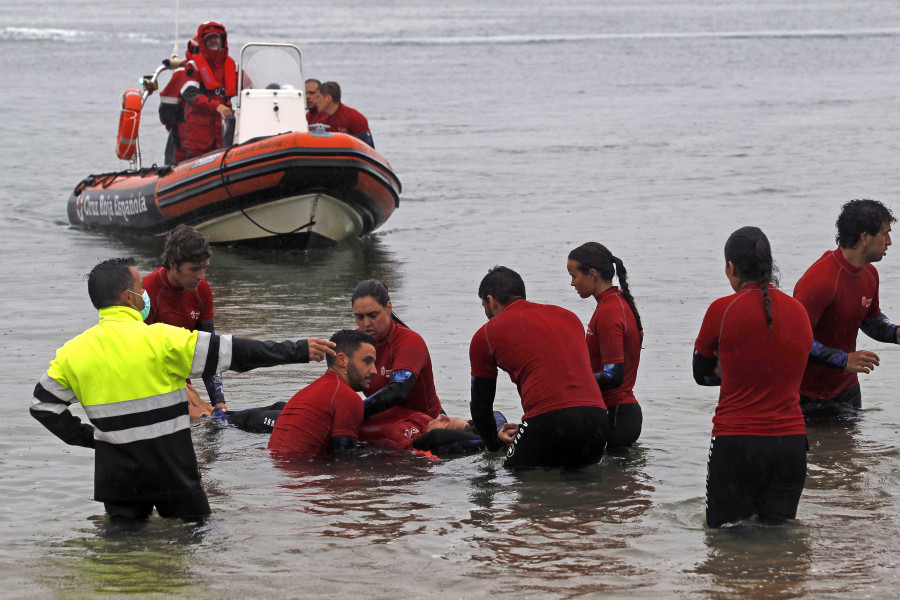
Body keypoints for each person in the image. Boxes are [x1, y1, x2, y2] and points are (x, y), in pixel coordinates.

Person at [29, 257, 336, 522]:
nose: (145, 292)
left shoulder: (72, 352)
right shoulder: (161, 339)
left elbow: (43, 407)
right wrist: (296, 350)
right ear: (128, 297)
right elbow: (233, 353)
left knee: (120, 556)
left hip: (117, 479)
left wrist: (94, 439)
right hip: (171, 471)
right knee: (199, 541)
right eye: (140, 287)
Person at [694, 227, 812, 528]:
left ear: (731, 267)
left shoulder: (721, 310)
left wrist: (731, 372)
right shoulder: (799, 311)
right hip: (791, 446)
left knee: (725, 539)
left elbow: (701, 375)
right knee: (779, 538)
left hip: (738, 444)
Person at [469, 266, 608, 469]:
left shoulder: (485, 335)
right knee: (583, 487)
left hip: (547, 420)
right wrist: (527, 430)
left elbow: (481, 408)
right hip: (597, 419)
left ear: (490, 300)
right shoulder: (569, 317)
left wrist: (493, 445)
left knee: (512, 479)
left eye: (484, 306)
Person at [793, 199, 899, 414]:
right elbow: (794, 339)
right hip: (807, 394)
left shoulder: (870, 274)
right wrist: (843, 359)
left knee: (849, 448)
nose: (889, 241)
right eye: (885, 233)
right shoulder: (820, 281)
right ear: (865, 237)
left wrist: (895, 333)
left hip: (848, 390)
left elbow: (870, 318)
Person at [567, 242, 644, 448]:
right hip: (618, 413)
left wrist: (571, 382)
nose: (572, 283)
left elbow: (613, 375)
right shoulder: (615, 303)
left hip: (616, 414)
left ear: (592, 274)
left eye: (574, 276)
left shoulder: (610, 311)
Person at [143, 224, 224, 417]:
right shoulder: (146, 291)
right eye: (195, 269)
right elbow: (140, 358)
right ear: (173, 264)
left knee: (219, 418)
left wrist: (219, 400)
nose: (201, 277)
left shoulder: (202, 290)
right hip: (150, 384)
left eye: (204, 268)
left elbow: (208, 350)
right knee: (205, 419)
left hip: (181, 383)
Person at [267, 330, 375, 457]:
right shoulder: (348, 398)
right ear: (342, 360)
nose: (374, 370)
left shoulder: (309, 391)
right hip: (299, 471)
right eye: (367, 362)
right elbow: (346, 465)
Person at [351, 280, 443, 419]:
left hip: (426, 423)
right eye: (359, 317)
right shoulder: (353, 342)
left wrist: (354, 411)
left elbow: (398, 390)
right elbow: (336, 384)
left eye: (373, 315)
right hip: (384, 422)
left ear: (388, 308)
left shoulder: (409, 342)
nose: (366, 323)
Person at [182, 22, 237, 159]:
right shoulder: (193, 66)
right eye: (209, 38)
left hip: (223, 133)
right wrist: (216, 106)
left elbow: (248, 87)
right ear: (203, 41)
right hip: (200, 138)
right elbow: (190, 94)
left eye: (216, 37)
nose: (213, 40)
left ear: (222, 40)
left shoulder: (230, 65)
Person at [158, 36, 199, 164]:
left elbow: (166, 111)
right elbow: (166, 109)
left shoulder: (182, 72)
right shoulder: (183, 73)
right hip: (185, 136)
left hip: (197, 136)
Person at [309, 81, 375, 148]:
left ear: (328, 98)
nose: (315, 101)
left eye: (317, 97)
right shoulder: (322, 122)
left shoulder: (355, 118)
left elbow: (369, 149)